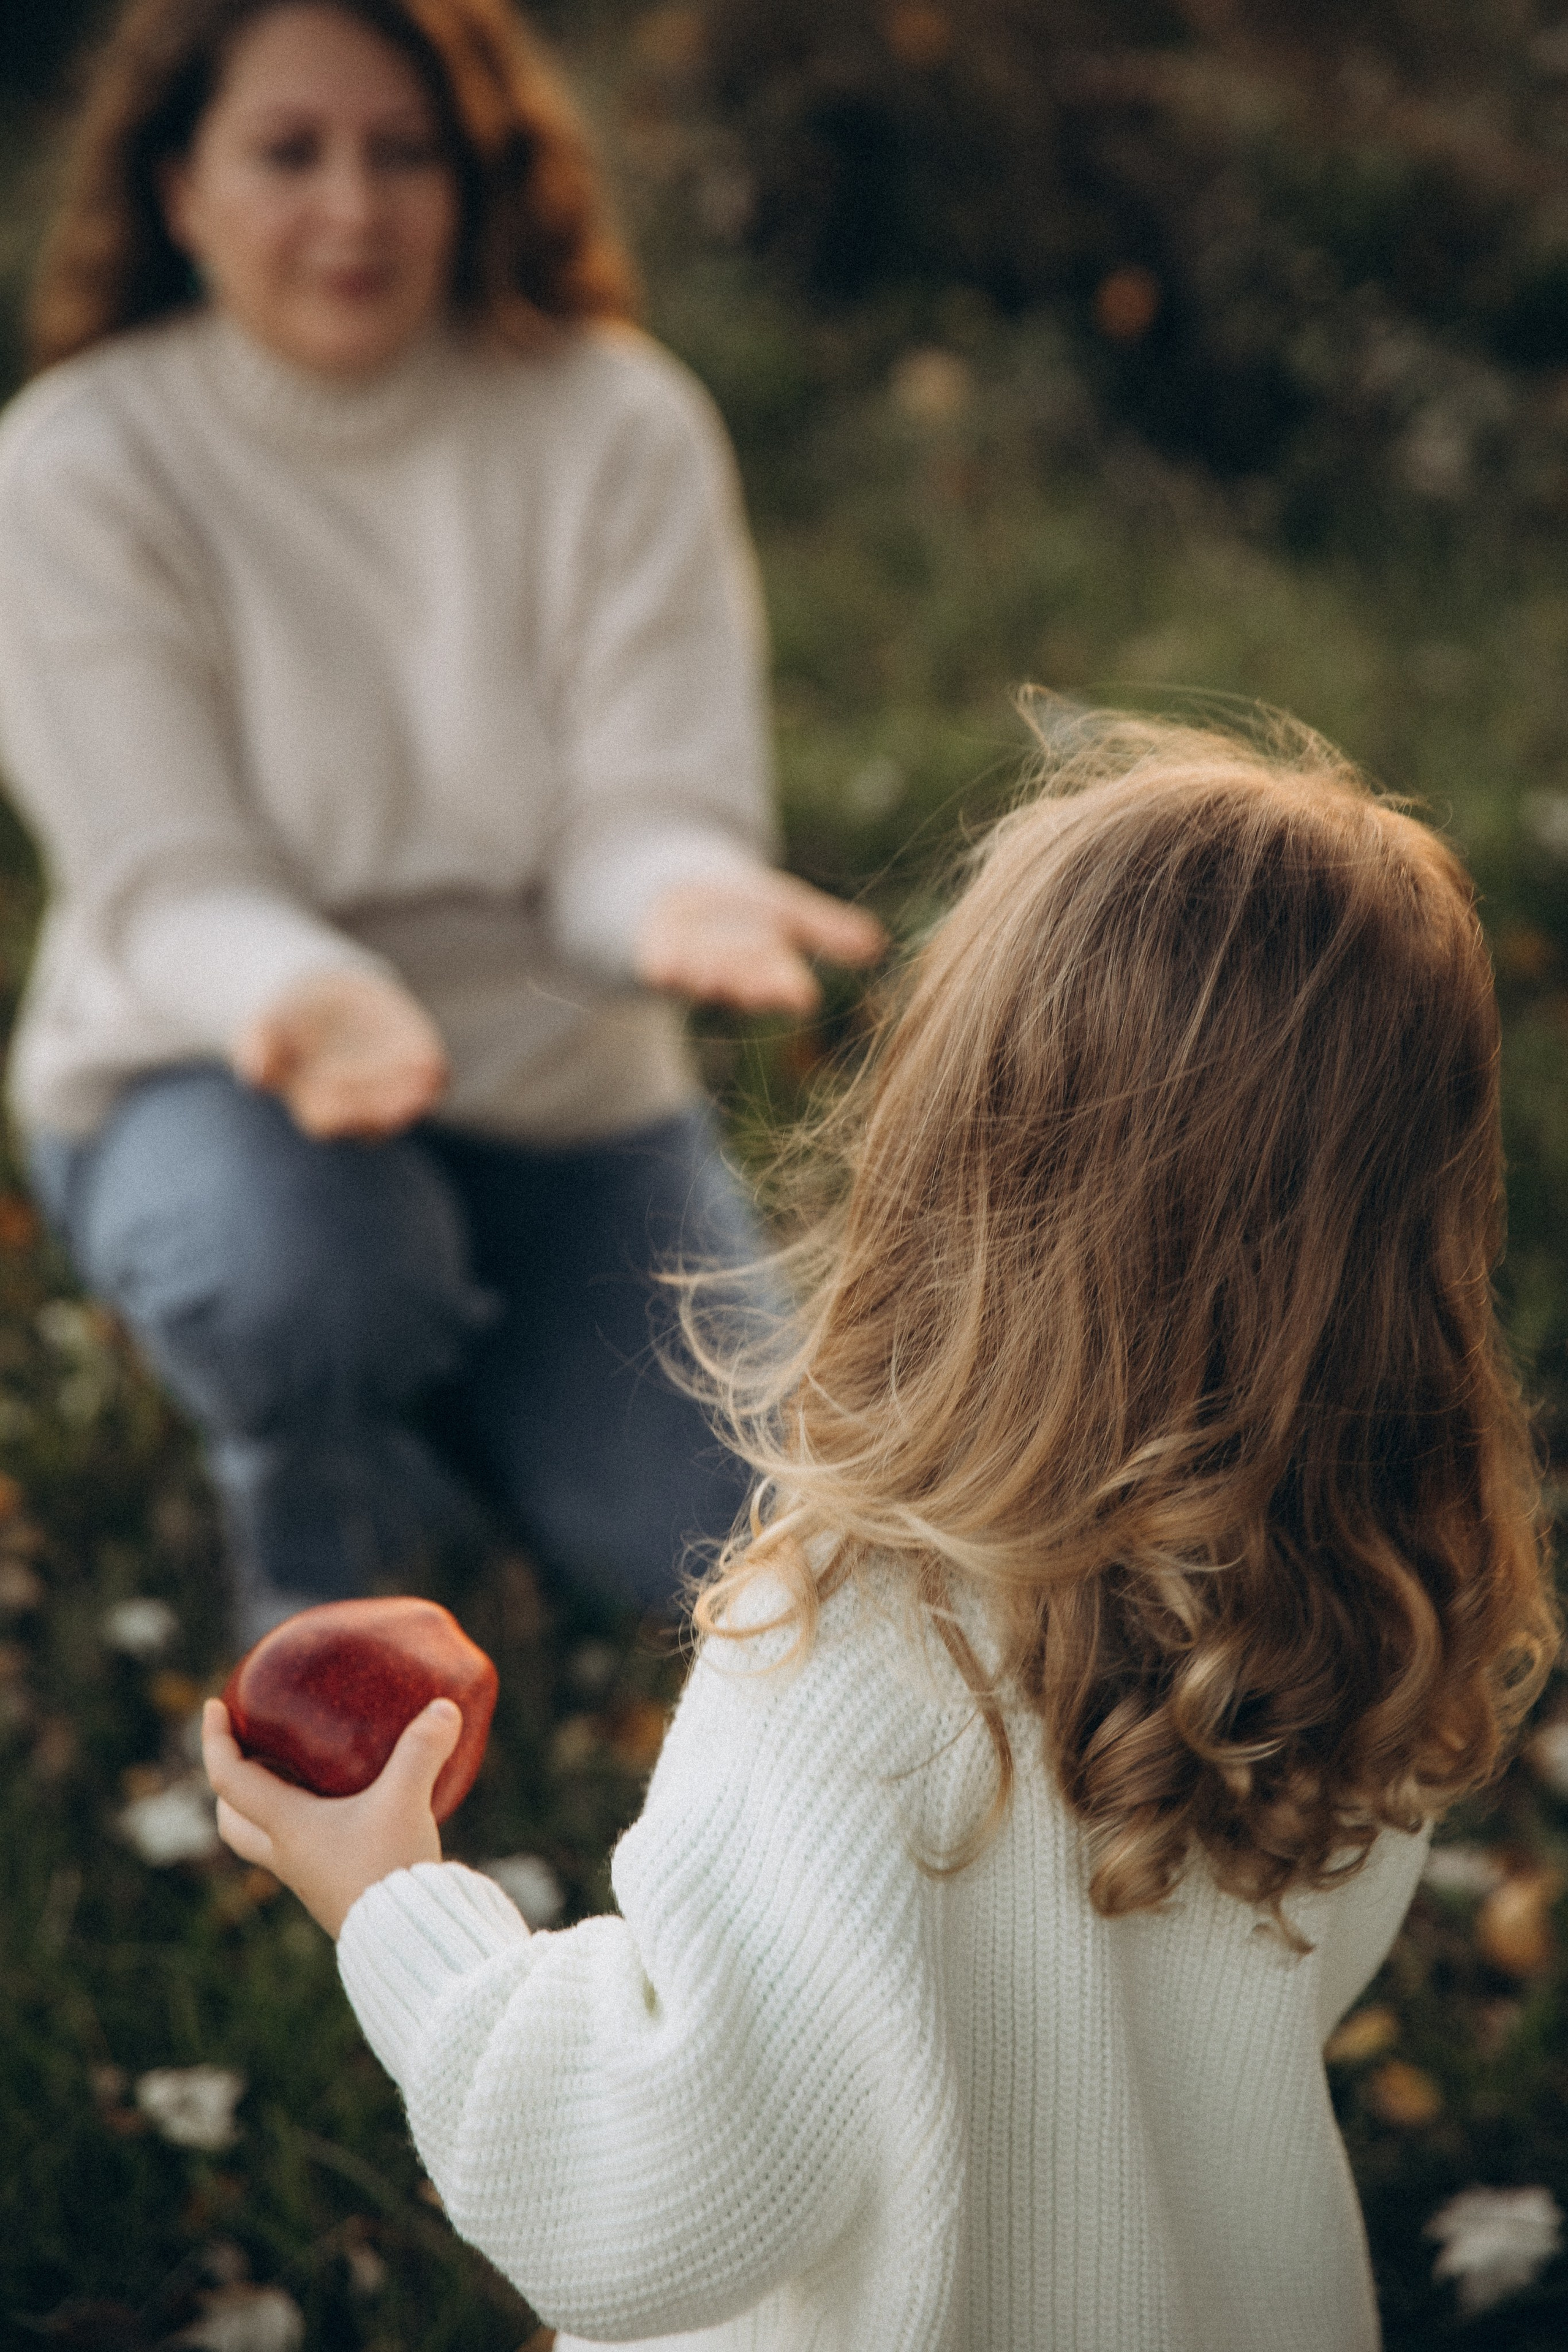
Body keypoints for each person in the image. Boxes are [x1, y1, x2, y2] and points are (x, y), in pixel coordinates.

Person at [203, 709, 1560, 2350]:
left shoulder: (849, 1660)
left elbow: (655, 2191)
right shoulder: (1382, 1603)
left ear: (960, 1152)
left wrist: (400, 1907)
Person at [0, 0, 883, 1640]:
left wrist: (680, 891)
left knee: (750, 1560)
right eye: (289, 152)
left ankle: (476, 1367)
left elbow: (644, 809)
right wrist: (307, 996)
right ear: (179, 187)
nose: (354, 208)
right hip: (225, 1072)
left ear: (476, 175)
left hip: (568, 1106)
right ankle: (328, 1525)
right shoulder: (79, 461)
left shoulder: (618, 425)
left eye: (404, 153)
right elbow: (169, 880)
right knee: (311, 1284)